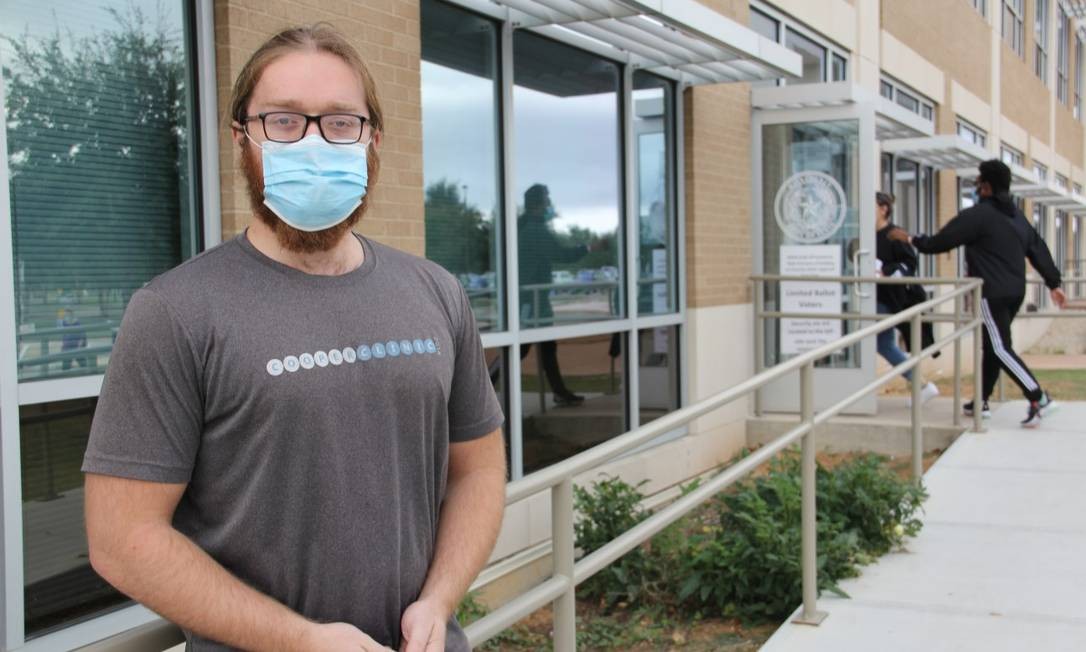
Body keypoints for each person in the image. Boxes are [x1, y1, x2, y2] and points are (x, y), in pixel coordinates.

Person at [82, 24, 506, 651]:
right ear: (242, 140)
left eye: (340, 122)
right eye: (283, 121)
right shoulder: (175, 312)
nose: (313, 143)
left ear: (372, 140)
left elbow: (478, 472)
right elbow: (123, 540)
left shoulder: (436, 292)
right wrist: (301, 640)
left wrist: (438, 602)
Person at [889, 159, 1066, 428]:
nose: (975, 188)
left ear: (986, 187)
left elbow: (940, 242)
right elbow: (1038, 248)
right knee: (993, 345)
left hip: (991, 293)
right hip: (1016, 291)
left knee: (999, 347)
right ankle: (980, 401)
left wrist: (911, 239)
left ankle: (1039, 397)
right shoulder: (1016, 216)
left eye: (978, 182)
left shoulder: (978, 216)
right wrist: (1054, 283)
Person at [516, 183, 588, 405]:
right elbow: (562, 254)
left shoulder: (525, 226)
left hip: (536, 299)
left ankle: (560, 392)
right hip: (531, 300)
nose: (550, 204)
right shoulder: (535, 230)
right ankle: (485, 383)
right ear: (539, 203)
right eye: (547, 200)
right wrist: (587, 248)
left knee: (546, 347)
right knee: (518, 348)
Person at [874, 192, 939, 405]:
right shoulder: (864, 233)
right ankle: (922, 385)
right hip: (869, 297)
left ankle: (922, 385)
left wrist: (885, 271)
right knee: (884, 345)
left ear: (883, 208)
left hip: (888, 299)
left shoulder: (894, 234)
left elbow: (909, 264)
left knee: (881, 344)